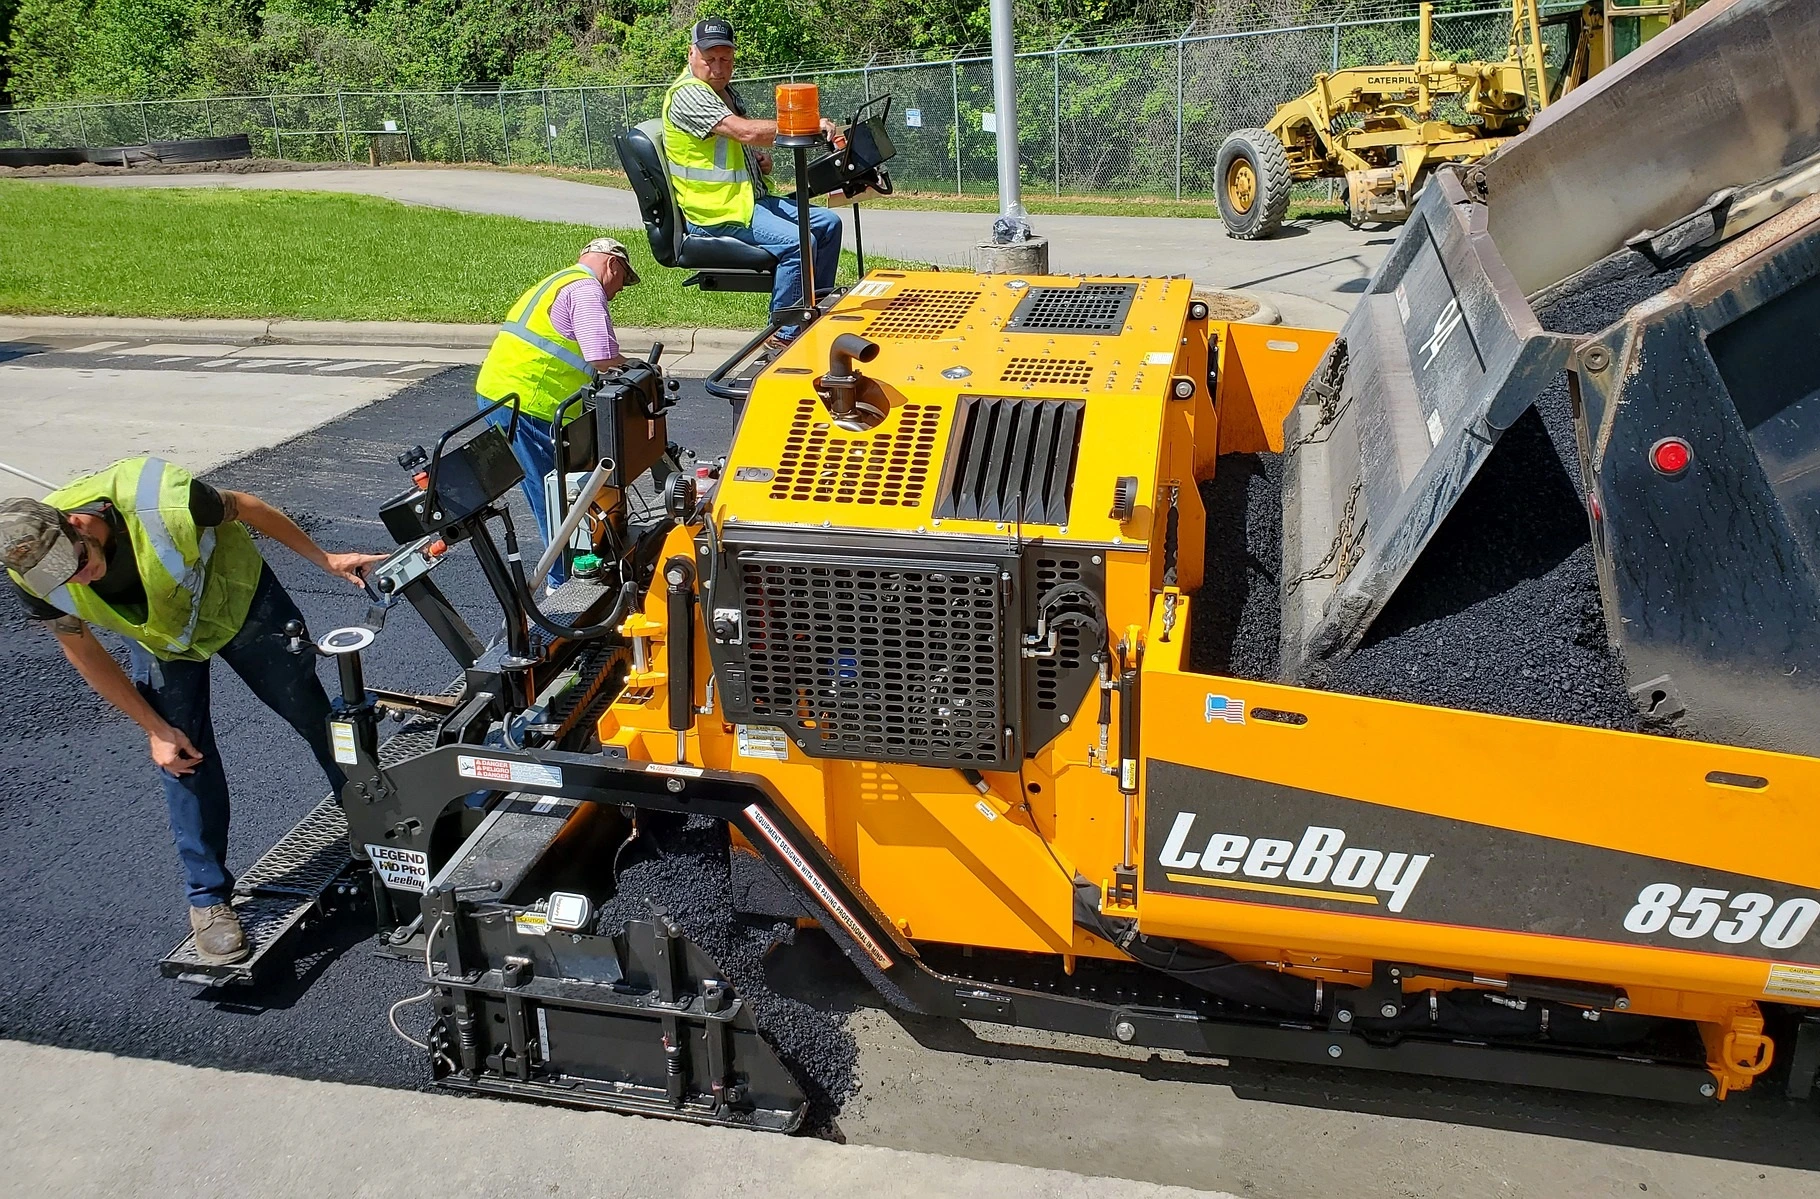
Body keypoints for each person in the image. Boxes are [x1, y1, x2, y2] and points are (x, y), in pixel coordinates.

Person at [2, 462, 386, 964]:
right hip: (164, 638)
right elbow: (80, 647)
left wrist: (325, 558)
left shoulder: (159, 498)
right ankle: (208, 901)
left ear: (75, 523)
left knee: (312, 714)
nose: (80, 578)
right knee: (181, 755)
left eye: (79, 562)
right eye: (66, 577)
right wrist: (154, 728)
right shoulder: (30, 569)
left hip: (240, 600)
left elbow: (246, 506)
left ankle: (374, 826)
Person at [663, 18, 847, 346]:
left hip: (748, 199)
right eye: (710, 59)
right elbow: (744, 132)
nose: (718, 68)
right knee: (798, 242)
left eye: (726, 59)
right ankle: (785, 334)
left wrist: (757, 163)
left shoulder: (724, 93)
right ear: (691, 54)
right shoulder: (689, 93)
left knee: (829, 224)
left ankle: (813, 307)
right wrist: (807, 124)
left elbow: (729, 145)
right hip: (716, 213)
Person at [475, 236, 639, 588]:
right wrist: (638, 369)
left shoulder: (559, 280)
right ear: (613, 264)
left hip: (505, 395)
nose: (617, 292)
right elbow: (601, 355)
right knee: (552, 494)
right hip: (528, 402)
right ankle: (562, 581)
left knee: (556, 488)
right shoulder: (586, 290)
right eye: (622, 282)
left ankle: (571, 566)